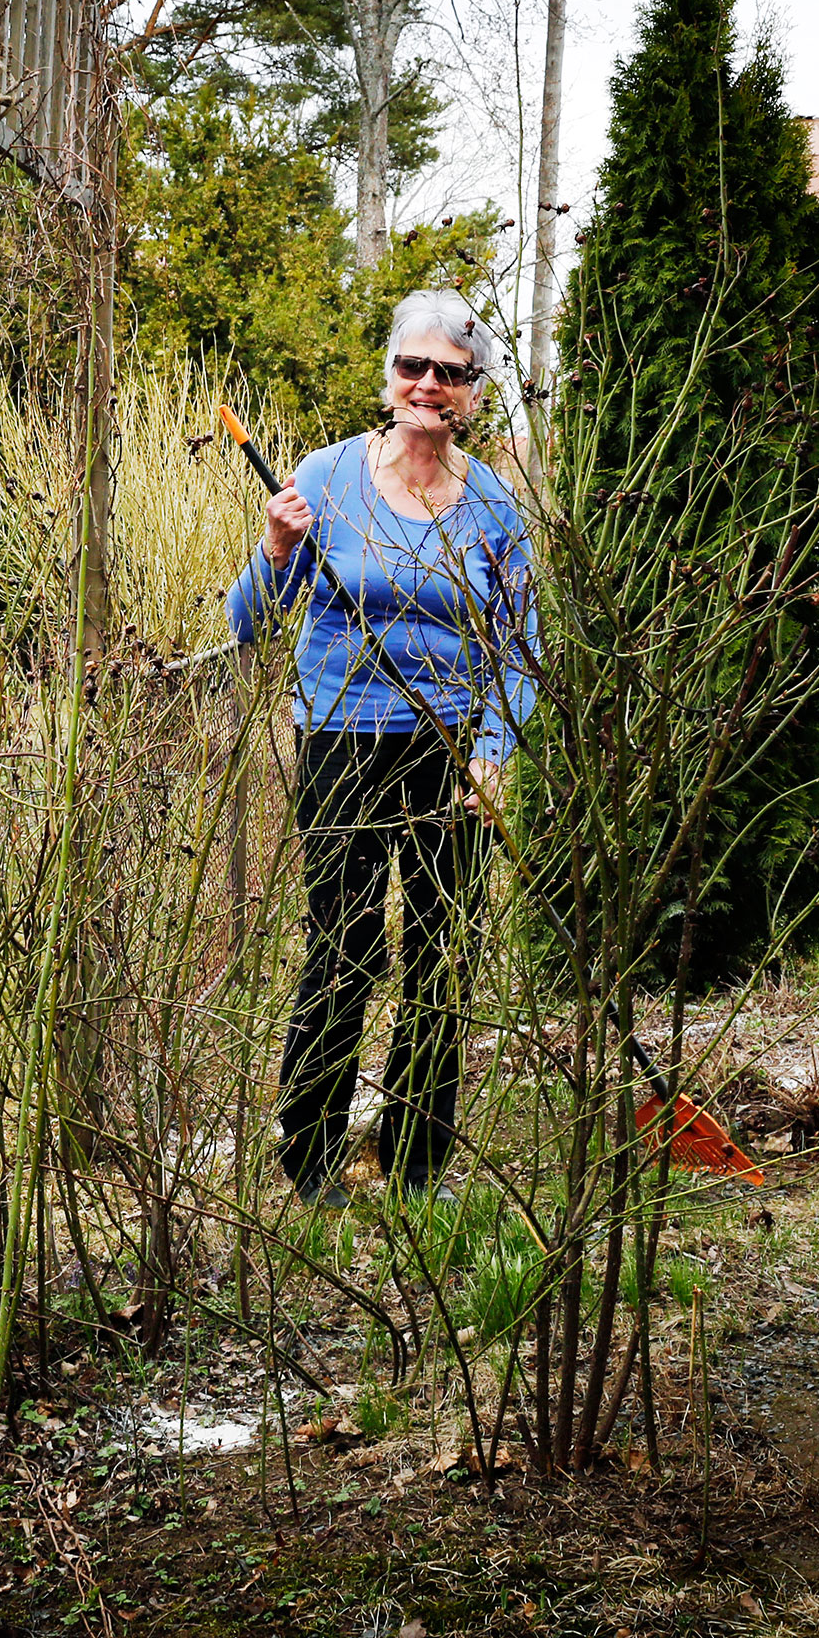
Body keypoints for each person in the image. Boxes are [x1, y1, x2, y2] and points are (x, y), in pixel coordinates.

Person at [227, 291, 536, 1209]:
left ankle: (415, 1159)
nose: (429, 387)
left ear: (473, 392)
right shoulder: (321, 480)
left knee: (443, 951)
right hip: (341, 738)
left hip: (451, 746)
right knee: (348, 942)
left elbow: (519, 648)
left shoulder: (493, 507)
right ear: (389, 374)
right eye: (415, 367)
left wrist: (491, 749)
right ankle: (313, 1157)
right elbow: (248, 623)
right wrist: (276, 549)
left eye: (451, 373)